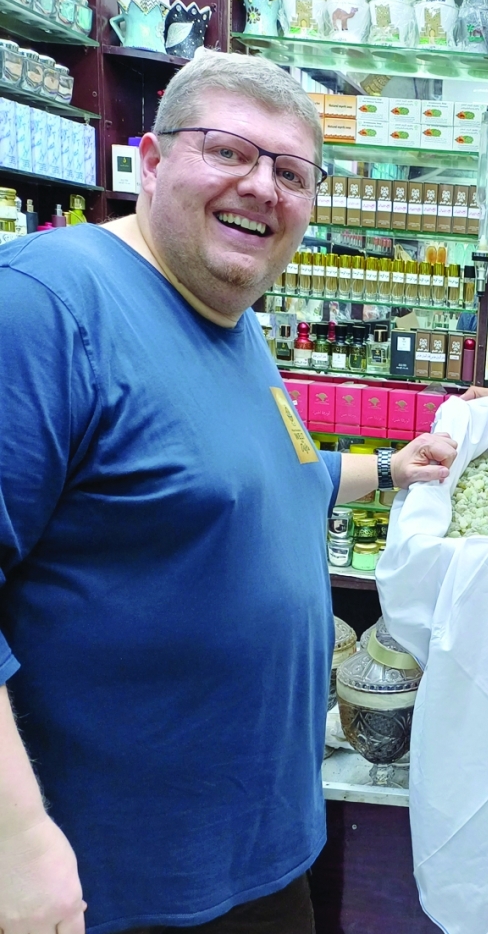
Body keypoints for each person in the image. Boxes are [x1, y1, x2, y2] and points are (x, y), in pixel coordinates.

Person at [0, 49, 456, 934]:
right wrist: (19, 842)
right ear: (152, 160)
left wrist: (398, 469)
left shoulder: (227, 316)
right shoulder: (47, 307)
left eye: (291, 172)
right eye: (228, 152)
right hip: (115, 882)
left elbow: (261, 481)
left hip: (253, 859)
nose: (262, 188)